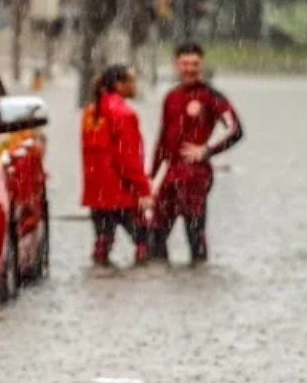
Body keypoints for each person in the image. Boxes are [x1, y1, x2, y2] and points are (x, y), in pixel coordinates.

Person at [148, 43, 244, 264]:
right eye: (184, 64)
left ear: (202, 64)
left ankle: (198, 279)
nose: (189, 69)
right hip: (170, 173)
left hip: (194, 175)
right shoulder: (171, 97)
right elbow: (163, 139)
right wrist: (151, 178)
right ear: (176, 65)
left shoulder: (211, 96)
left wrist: (208, 150)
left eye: (194, 64)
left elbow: (236, 129)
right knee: (155, 234)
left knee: (195, 233)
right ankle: (159, 287)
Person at [81, 65, 154, 267]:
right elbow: (128, 158)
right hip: (122, 192)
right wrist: (144, 190)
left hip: (97, 193)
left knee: (102, 243)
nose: (134, 85)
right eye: (131, 81)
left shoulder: (91, 112)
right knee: (144, 242)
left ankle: (101, 283)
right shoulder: (124, 114)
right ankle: (141, 285)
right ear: (119, 85)